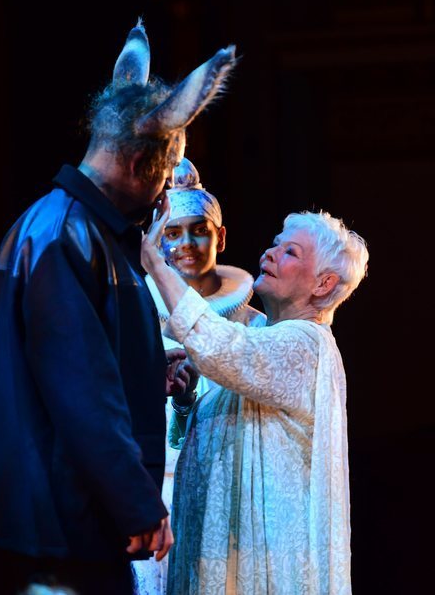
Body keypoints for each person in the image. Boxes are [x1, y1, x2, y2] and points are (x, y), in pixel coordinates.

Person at [0, 20, 237, 595]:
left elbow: (78, 363)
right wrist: (138, 503)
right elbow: (79, 391)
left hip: (65, 523)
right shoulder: (67, 236)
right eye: (165, 172)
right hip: (57, 530)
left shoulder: (72, 230)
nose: (165, 192)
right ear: (140, 163)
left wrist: (148, 372)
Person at [142, 201, 369, 595]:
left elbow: (224, 348)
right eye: (275, 244)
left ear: (323, 284)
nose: (269, 253)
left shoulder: (306, 344)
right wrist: (185, 402)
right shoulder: (265, 340)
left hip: (261, 569)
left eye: (290, 251)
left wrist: (155, 263)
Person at [133, 159, 265, 595]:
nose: (186, 243)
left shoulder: (254, 326)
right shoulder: (137, 321)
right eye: (171, 232)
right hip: (158, 493)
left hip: (229, 497)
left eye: (199, 230)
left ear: (220, 236)